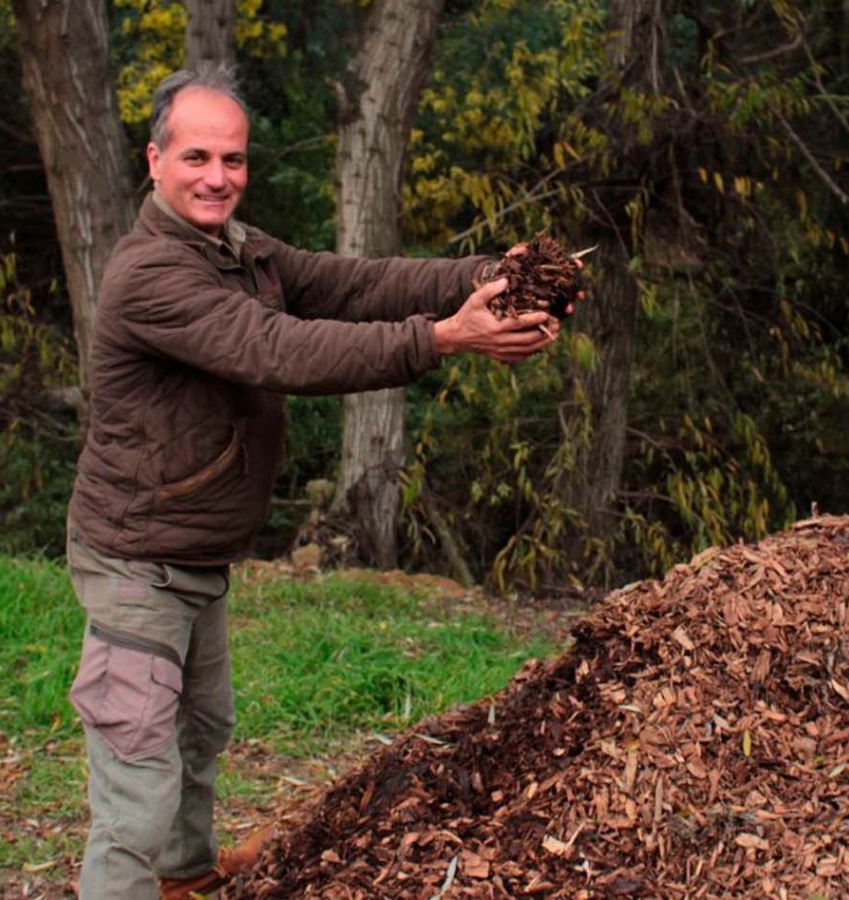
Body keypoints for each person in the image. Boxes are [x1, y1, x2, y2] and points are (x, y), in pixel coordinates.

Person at [63, 66, 562, 900]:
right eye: (195, 158)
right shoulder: (152, 275)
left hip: (194, 548)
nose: (217, 177)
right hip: (136, 559)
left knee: (199, 732)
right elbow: (282, 351)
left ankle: (185, 878)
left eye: (233, 158)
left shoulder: (239, 249)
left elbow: (353, 284)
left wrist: (483, 275)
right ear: (154, 161)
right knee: (136, 778)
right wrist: (443, 339)